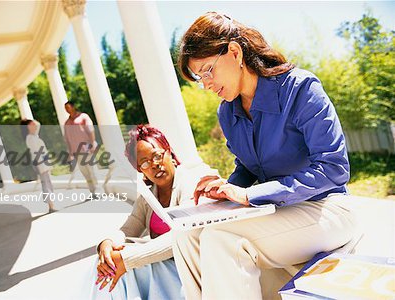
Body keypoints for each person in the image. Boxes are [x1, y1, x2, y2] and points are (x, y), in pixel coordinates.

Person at [173, 12, 357, 299]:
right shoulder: (228, 111)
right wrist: (224, 190)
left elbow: (333, 168)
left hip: (327, 209)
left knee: (221, 239)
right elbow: (246, 169)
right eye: (200, 78)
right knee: (185, 236)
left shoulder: (300, 88)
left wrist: (249, 196)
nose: (206, 84)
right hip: (276, 213)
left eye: (208, 70)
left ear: (234, 52)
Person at [92, 125, 211, 300]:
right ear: (140, 170)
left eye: (157, 155)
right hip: (163, 270)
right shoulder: (148, 196)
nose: (154, 165)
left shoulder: (189, 183)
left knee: (131, 266)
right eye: (145, 163)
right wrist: (107, 244)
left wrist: (126, 258)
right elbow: (127, 229)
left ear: (168, 151)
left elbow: (181, 236)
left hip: (190, 269)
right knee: (107, 262)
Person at [20, 119, 56, 212]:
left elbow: (38, 124)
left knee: (47, 183)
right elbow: (37, 154)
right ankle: (51, 206)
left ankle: (51, 204)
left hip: (43, 162)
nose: (35, 125)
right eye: (32, 124)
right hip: (40, 163)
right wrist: (42, 166)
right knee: (46, 184)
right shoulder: (31, 138)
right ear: (28, 127)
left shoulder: (34, 136)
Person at [64, 101, 98, 195]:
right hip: (76, 152)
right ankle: (93, 192)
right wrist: (70, 153)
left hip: (87, 148)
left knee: (92, 170)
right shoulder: (66, 123)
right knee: (85, 172)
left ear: (73, 106)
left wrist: (92, 143)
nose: (67, 109)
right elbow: (67, 139)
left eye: (68, 107)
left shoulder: (83, 117)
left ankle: (99, 190)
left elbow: (91, 130)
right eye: (65, 108)